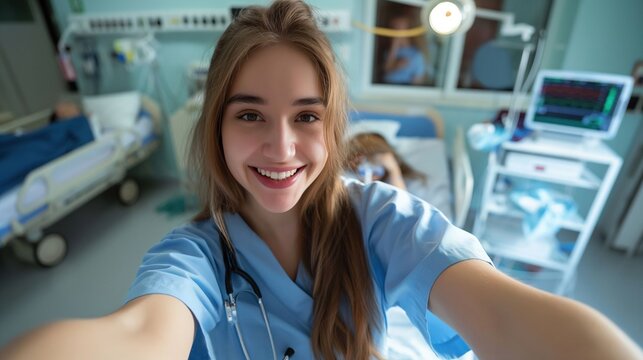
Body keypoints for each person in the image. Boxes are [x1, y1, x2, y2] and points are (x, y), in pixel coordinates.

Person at [1, 1, 642, 359]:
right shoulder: (192, 258)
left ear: (332, 130)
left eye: (306, 116)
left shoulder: (385, 221)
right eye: (249, 114)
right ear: (215, 129)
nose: (281, 147)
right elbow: (135, 337)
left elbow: (505, 318)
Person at [382, 15, 427, 85]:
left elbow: (417, 80)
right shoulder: (389, 50)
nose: (397, 32)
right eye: (395, 28)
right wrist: (394, 45)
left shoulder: (416, 53)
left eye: (400, 27)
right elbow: (386, 70)